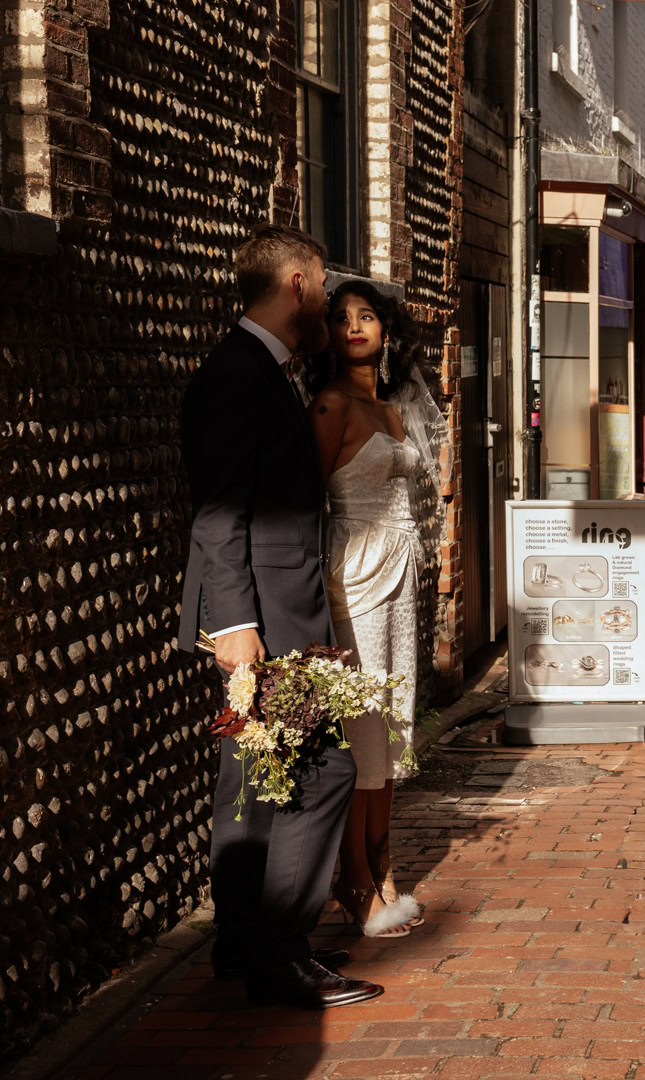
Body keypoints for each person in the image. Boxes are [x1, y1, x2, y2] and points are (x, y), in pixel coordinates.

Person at [176, 224, 381, 1009]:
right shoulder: (236, 376)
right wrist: (233, 622)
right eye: (324, 283)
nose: (331, 298)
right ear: (295, 282)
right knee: (321, 770)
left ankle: (242, 944)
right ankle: (280, 951)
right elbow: (218, 510)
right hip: (262, 618)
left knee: (252, 779)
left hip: (277, 610)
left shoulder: (266, 370)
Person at [310, 282, 442, 938]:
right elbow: (303, 498)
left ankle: (383, 865)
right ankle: (354, 879)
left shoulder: (390, 407)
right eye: (341, 318)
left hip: (398, 576)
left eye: (367, 316)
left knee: (392, 725)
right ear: (327, 333)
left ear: (387, 331)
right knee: (362, 732)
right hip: (353, 576)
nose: (355, 326)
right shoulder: (331, 404)